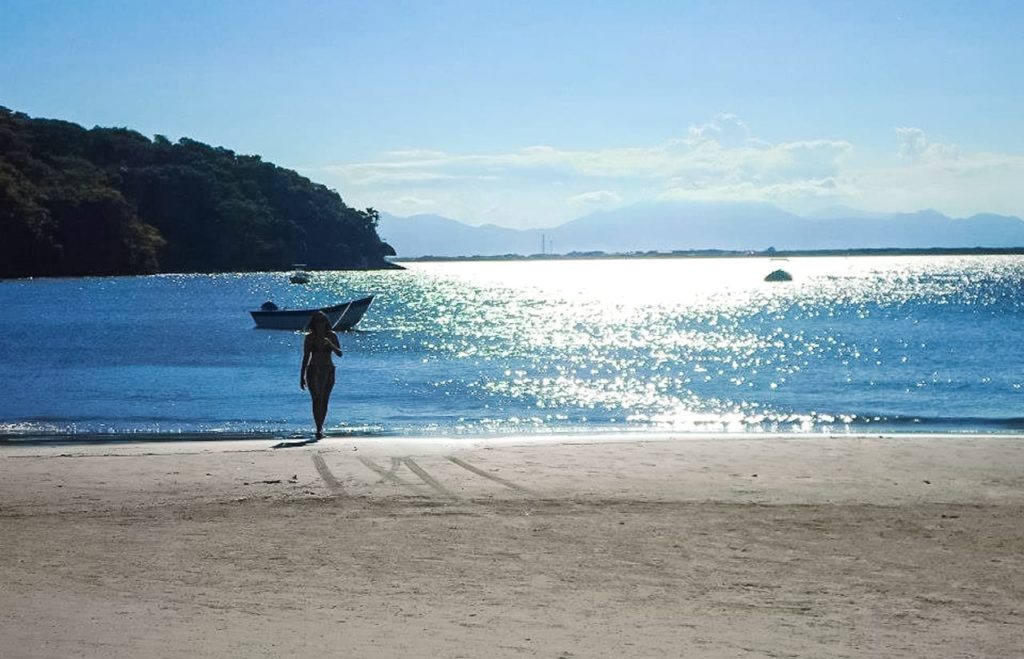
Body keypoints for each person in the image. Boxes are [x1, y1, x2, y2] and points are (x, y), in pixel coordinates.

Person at [299, 311, 343, 439]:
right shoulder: (310, 337)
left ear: (326, 322)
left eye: (322, 321)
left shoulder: (332, 336)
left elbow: (340, 353)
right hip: (314, 370)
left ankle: (320, 427)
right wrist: (301, 376)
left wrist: (330, 344)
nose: (320, 324)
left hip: (328, 369)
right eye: (317, 321)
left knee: (324, 400)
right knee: (316, 399)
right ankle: (318, 428)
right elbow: (306, 356)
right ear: (314, 323)